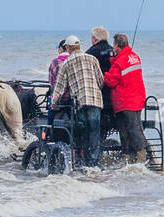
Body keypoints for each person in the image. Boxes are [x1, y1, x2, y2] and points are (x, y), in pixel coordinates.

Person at [51, 38, 105, 167]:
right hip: (95, 101)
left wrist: (54, 104)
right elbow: (101, 80)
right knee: (94, 133)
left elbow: (59, 88)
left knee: (83, 132)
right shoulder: (92, 59)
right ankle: (94, 163)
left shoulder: (66, 63)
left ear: (68, 48)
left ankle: (85, 164)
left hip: (80, 102)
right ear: (79, 46)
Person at [103, 33, 148, 163]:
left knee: (130, 130)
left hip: (125, 101)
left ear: (117, 45)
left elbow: (111, 81)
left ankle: (139, 158)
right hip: (137, 99)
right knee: (133, 128)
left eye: (114, 45)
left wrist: (104, 74)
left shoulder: (120, 62)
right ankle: (131, 157)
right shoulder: (135, 57)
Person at [86, 27, 116, 139]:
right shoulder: (113, 51)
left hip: (97, 96)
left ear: (94, 38)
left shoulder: (90, 53)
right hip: (113, 96)